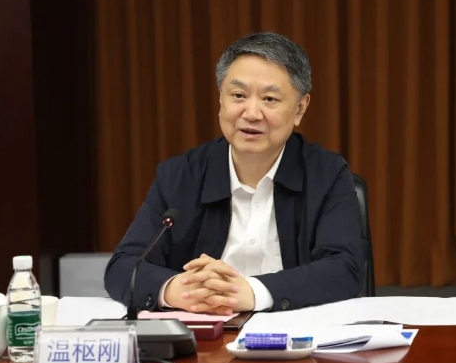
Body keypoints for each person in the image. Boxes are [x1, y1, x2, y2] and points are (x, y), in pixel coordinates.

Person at [104, 31, 365, 314]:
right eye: (238, 96)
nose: (251, 113)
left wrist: (251, 292)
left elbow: (345, 268)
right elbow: (123, 266)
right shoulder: (180, 176)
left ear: (300, 109)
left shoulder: (326, 174)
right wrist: (177, 289)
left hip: (292, 332)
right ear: (221, 101)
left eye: (269, 99)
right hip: (201, 333)